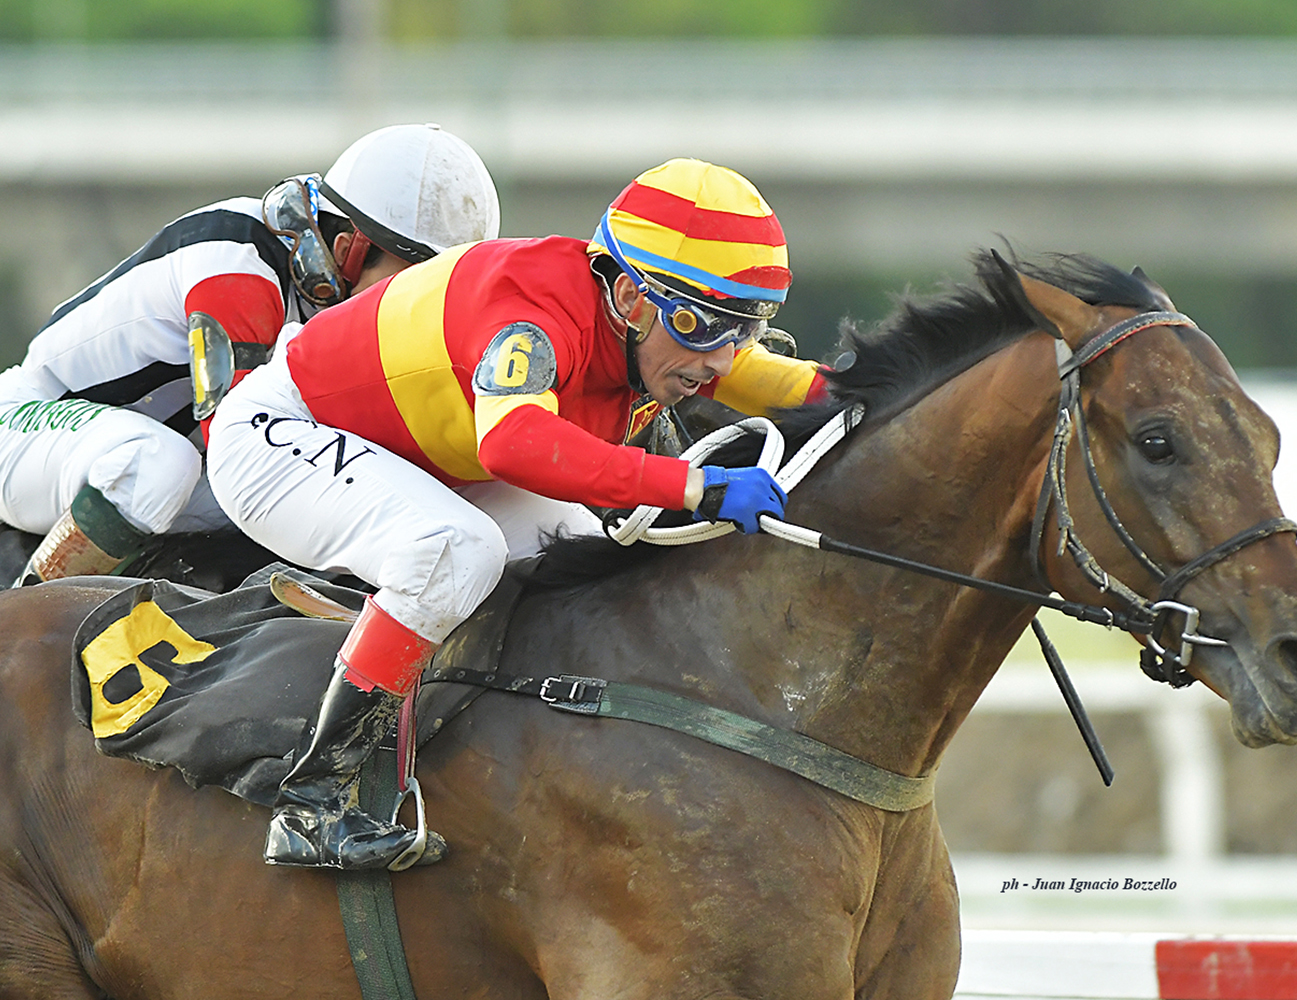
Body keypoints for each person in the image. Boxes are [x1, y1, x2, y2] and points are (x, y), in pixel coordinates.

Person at [206, 157, 830, 870]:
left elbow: (767, 377)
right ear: (630, 297)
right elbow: (512, 443)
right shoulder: (531, 316)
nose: (719, 363)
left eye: (742, 330)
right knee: (457, 551)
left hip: (426, 454)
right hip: (278, 432)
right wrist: (694, 487)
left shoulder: (647, 326)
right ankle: (312, 803)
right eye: (705, 327)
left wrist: (880, 390)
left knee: (589, 558)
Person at [0, 123, 501, 583]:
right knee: (158, 466)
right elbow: (236, 450)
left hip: (168, 458)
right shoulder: (236, 257)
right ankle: (22, 619)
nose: (419, 306)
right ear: (350, 248)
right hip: (19, 428)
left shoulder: (333, 287)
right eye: (415, 282)